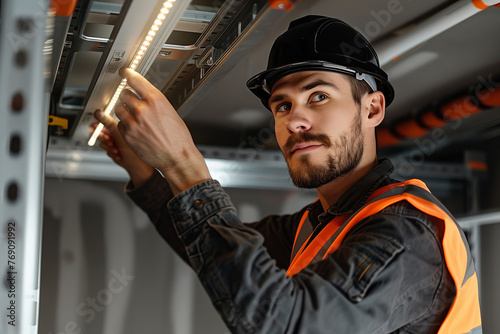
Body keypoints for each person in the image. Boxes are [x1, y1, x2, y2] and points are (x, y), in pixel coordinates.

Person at [94, 16, 481, 333]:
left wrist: (183, 163)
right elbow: (213, 250)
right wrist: (144, 171)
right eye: (282, 105)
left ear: (372, 109)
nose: (295, 119)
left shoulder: (407, 233)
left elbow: (287, 324)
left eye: (318, 96)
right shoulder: (317, 226)